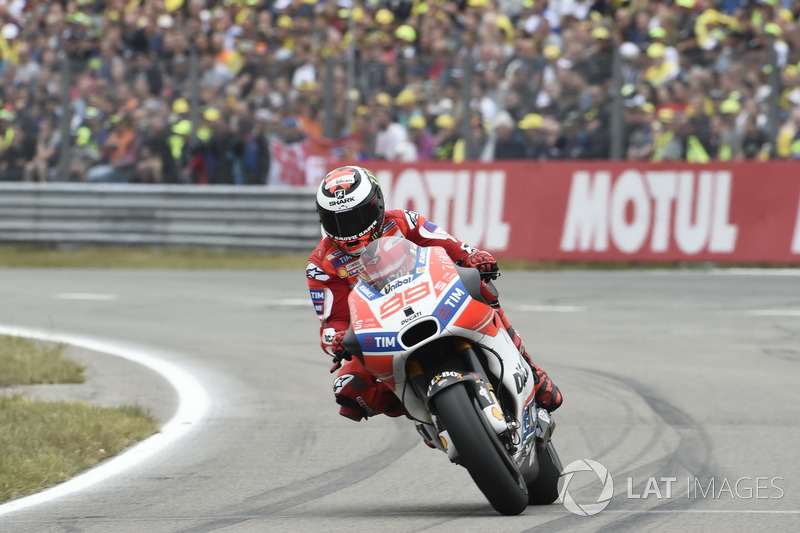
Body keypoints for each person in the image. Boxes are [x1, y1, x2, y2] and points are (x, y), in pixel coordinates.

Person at [306, 165, 562, 423]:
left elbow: (452, 247)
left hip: (432, 299)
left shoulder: (405, 222)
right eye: (336, 221)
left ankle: (528, 366)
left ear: (377, 205)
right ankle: (428, 413)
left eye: (356, 217)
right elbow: (332, 321)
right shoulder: (320, 265)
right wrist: (336, 339)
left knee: (480, 285)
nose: (348, 229)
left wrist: (474, 257)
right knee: (349, 387)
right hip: (381, 329)